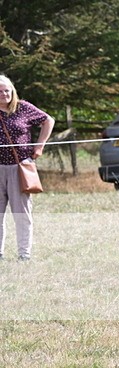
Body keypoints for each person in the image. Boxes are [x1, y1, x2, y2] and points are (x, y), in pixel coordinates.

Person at [0, 75, 55, 262]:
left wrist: (40, 145)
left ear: (12, 91)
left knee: (22, 214)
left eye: (6, 90)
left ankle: (24, 254)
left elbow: (48, 120)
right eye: (0, 91)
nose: (4, 94)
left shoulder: (23, 107)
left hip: (20, 168)